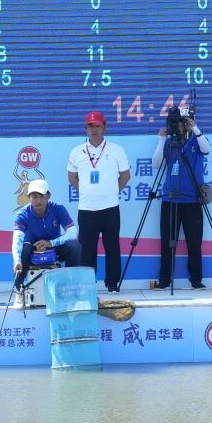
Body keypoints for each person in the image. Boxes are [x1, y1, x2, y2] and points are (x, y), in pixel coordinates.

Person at [68, 111, 131, 293]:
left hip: (110, 208)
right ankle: (88, 285)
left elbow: (125, 176)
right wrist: (86, 191)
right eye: (90, 126)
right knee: (87, 250)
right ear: (86, 129)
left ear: (105, 127)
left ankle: (112, 283)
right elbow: (72, 177)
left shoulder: (117, 150)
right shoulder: (77, 151)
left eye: (98, 126)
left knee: (112, 247)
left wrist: (111, 192)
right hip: (86, 209)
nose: (94, 129)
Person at [151, 108, 211, 290]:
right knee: (167, 242)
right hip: (170, 200)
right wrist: (161, 140)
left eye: (184, 121)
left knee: (194, 242)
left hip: (192, 200)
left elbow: (207, 149)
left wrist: (195, 128)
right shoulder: (170, 142)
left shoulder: (197, 139)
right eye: (177, 122)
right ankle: (165, 279)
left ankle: (196, 279)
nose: (180, 125)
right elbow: (156, 164)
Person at [12, 179, 82, 289]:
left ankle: (71, 285)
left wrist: (51, 243)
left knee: (75, 246)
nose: (38, 201)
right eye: (34, 197)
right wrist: (17, 260)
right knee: (23, 249)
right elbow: (17, 239)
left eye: (42, 196)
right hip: (32, 249)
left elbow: (73, 232)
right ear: (29, 197)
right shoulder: (22, 214)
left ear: (48, 196)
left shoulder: (58, 208)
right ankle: (18, 288)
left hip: (54, 247)